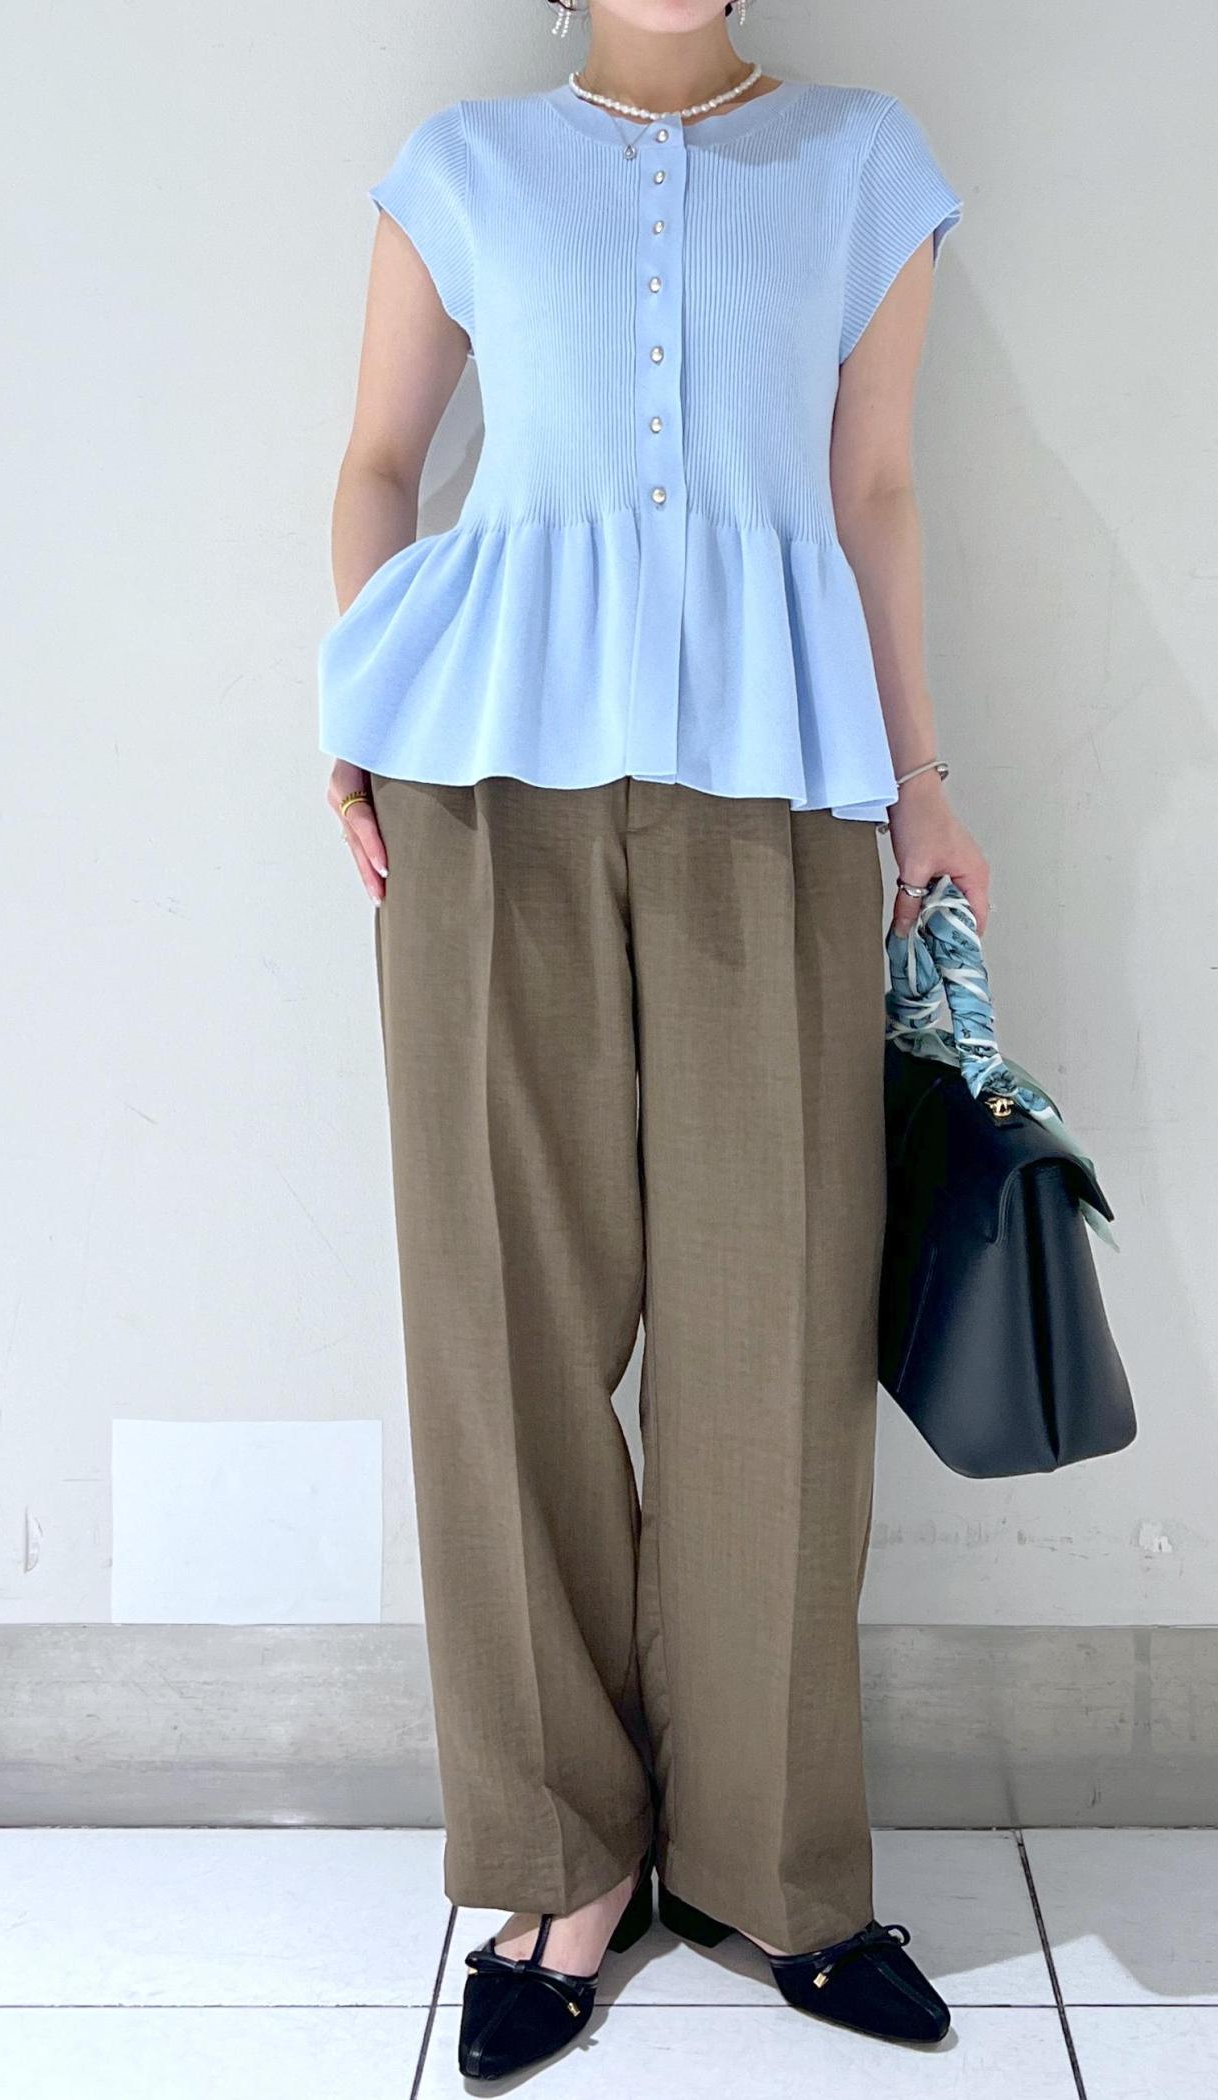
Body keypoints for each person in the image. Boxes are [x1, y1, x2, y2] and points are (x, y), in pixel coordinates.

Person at [319, 0, 989, 2080]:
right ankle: (555, 1865)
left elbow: (874, 488)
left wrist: (923, 784)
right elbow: (379, 462)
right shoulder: (465, 167)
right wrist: (352, 705)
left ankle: (775, 1869)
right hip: (480, 786)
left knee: (771, 1333)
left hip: (774, 784)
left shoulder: (864, 163)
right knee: (501, 1323)